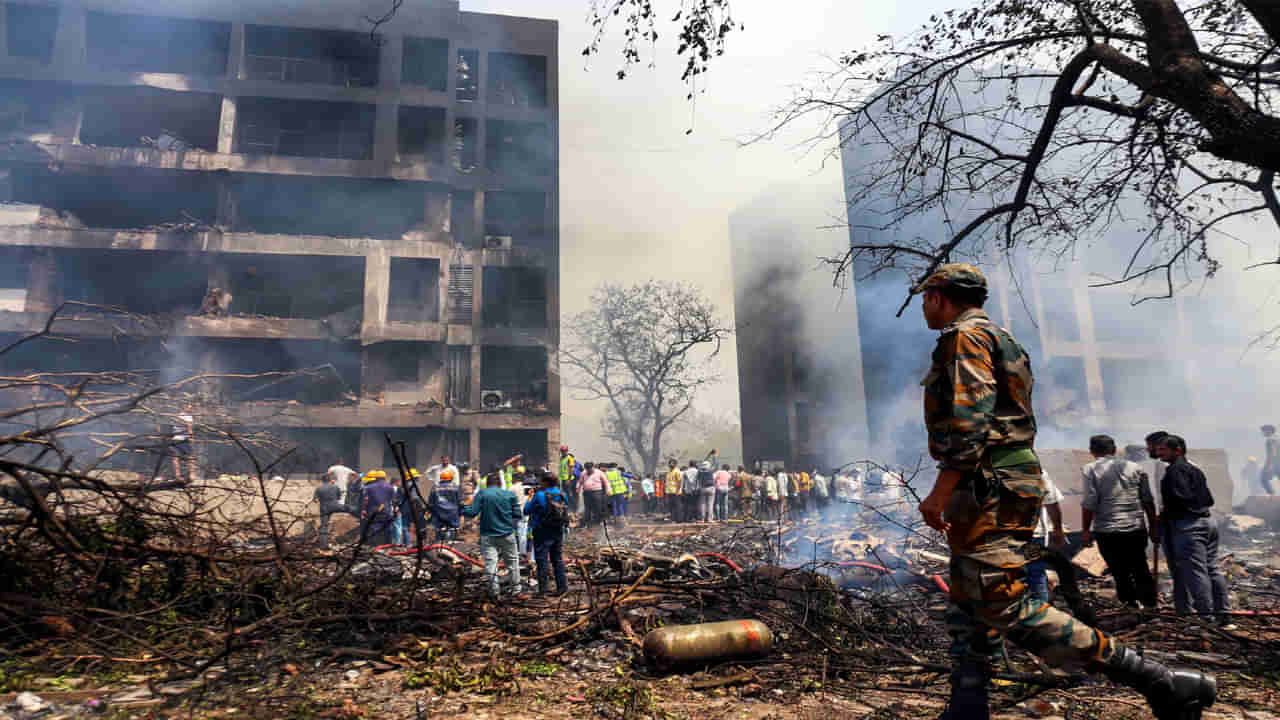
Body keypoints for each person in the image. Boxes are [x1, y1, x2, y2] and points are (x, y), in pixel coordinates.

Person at [912, 264, 1214, 720]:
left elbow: (969, 422)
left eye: (925, 298)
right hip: (1002, 479)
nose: (922, 307)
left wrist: (940, 491)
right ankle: (967, 705)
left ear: (938, 296)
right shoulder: (1003, 338)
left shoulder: (966, 339)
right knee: (969, 596)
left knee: (1001, 600)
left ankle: (1161, 681)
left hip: (988, 481)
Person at [1157, 434, 1231, 625]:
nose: (1159, 453)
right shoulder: (1194, 470)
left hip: (1189, 526)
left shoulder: (1175, 471)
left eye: (1163, 449)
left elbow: (1180, 498)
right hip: (1208, 522)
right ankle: (1223, 615)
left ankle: (1205, 618)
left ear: (1178, 450)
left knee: (1196, 573)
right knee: (1212, 569)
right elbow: (1209, 500)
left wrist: (1166, 514)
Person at [1081, 434, 1158, 610]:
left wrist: (1086, 530)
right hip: (1136, 528)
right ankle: (1150, 605)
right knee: (1140, 566)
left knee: (1119, 570)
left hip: (1107, 530)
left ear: (1092, 452)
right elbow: (1147, 499)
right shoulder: (1136, 467)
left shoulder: (1090, 469)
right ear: (1114, 450)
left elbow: (1089, 502)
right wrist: (1153, 526)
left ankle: (1129, 606)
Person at [1024, 469, 1096, 626]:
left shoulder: (988, 469)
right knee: (1036, 576)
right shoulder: (1035, 470)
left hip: (1003, 537)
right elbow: (1051, 502)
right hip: (1033, 535)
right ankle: (1042, 623)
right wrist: (1058, 529)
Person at [462, 473, 523, 599]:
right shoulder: (509, 494)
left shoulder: (483, 494)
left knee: (491, 564)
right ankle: (516, 590)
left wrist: (461, 507)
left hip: (488, 535)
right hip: (507, 534)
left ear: (487, 484)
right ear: (500, 483)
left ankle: (494, 593)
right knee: (513, 563)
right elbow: (518, 515)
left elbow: (472, 513)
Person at [525, 471, 569, 596]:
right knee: (557, 559)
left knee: (542, 560)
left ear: (545, 482)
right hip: (558, 530)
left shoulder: (539, 495)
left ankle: (543, 590)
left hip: (542, 531)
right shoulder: (562, 494)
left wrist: (530, 497)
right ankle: (562, 587)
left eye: (541, 481)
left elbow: (526, 510)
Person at [359, 470, 396, 546]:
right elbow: (393, 500)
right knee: (386, 528)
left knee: (373, 527)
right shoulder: (390, 487)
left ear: (375, 478)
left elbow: (366, 500)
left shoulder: (369, 487)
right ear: (385, 478)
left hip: (373, 511)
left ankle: (374, 546)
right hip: (386, 510)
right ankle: (386, 545)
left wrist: (363, 509)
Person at [427, 468, 461, 541]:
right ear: (451, 478)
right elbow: (459, 501)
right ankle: (450, 546)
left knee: (439, 530)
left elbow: (431, 502)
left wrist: (430, 513)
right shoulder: (455, 487)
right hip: (452, 513)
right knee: (452, 530)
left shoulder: (435, 487)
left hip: (439, 513)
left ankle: (439, 545)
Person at [311, 471, 344, 545]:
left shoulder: (319, 488)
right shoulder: (336, 487)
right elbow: (339, 498)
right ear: (330, 480)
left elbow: (315, 500)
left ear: (322, 480)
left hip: (324, 508)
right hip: (335, 507)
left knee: (324, 525)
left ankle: (323, 543)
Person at [580, 462, 607, 526]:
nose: (588, 470)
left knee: (598, 507)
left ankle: (598, 520)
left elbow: (605, 482)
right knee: (588, 507)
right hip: (587, 492)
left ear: (592, 467)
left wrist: (607, 490)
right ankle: (588, 520)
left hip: (597, 492)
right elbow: (580, 481)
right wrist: (578, 488)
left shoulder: (599, 473)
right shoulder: (584, 473)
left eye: (590, 468)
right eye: (587, 469)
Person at [1260, 425, 1279, 494]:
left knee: (1263, 478)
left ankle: (1272, 494)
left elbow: (1273, 452)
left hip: (1274, 464)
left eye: (1264, 431)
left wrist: (1270, 465)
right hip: (1277, 464)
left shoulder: (1270, 440)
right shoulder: (1277, 438)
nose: (1263, 433)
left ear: (1269, 431)